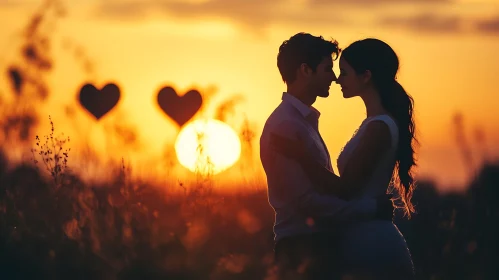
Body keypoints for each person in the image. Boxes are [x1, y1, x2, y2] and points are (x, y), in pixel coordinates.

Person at [270, 38, 418, 279]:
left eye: (344, 73)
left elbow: (345, 189)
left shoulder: (379, 127)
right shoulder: (372, 124)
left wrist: (302, 157)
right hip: (360, 237)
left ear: (366, 76)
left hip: (373, 243)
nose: (337, 79)